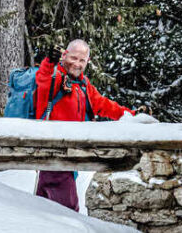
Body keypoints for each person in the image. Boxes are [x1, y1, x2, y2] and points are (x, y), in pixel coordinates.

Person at [33, 38, 134, 211]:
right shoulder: (55, 78)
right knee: (68, 212)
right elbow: (43, 78)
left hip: (68, 157)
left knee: (44, 209)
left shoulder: (83, 85)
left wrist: (132, 115)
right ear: (64, 56)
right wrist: (49, 61)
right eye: (73, 58)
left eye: (82, 60)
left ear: (87, 62)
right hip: (54, 155)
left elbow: (103, 105)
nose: (77, 64)